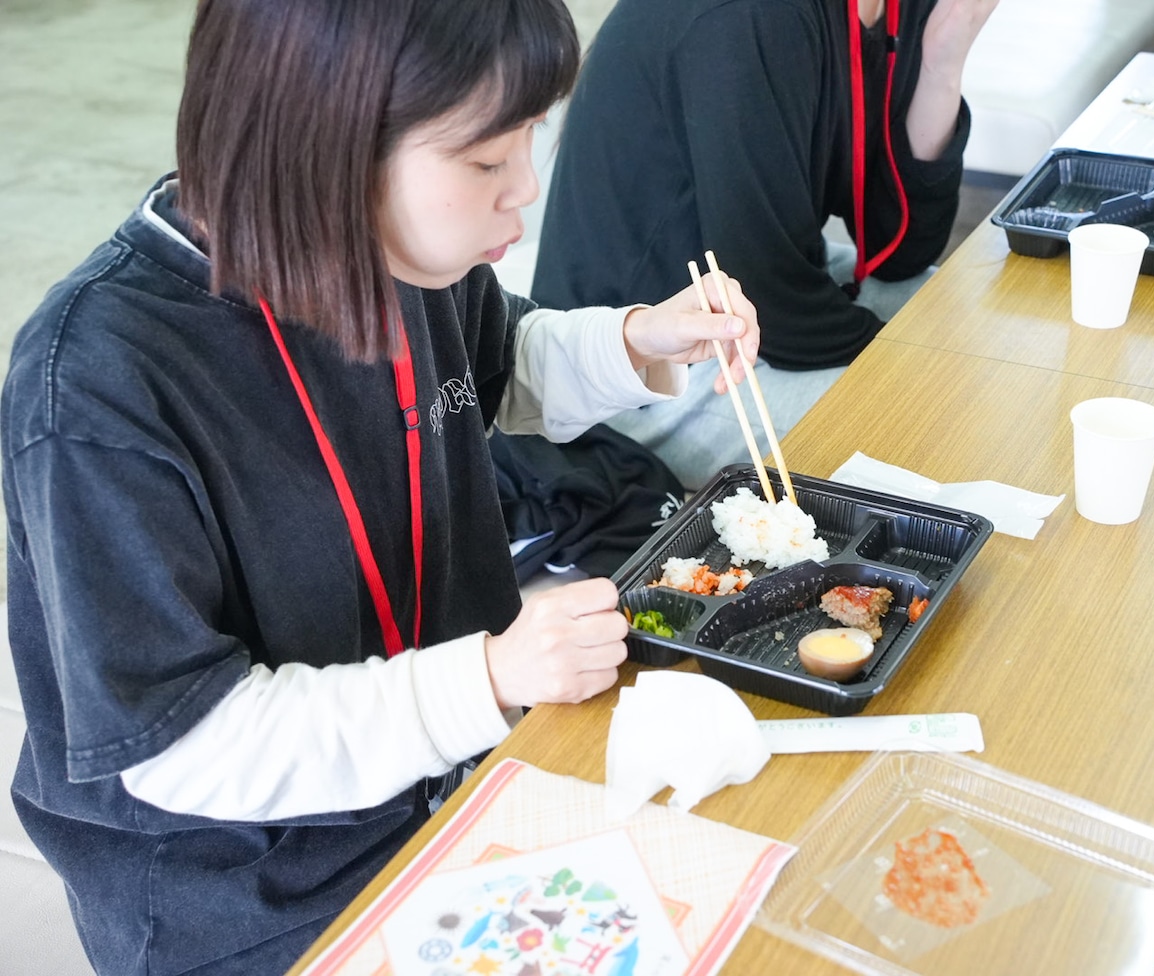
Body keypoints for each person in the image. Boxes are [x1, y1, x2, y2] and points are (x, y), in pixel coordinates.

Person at [1, 0, 760, 972]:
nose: (523, 187)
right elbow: (177, 743)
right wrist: (485, 678)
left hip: (445, 777)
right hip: (250, 890)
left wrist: (633, 338)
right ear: (323, 138)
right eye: (486, 160)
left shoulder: (393, 250)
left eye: (526, 141)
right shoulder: (99, 382)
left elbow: (491, 367)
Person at [531, 0, 1000, 488]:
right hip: (636, 370)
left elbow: (899, 250)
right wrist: (934, 368)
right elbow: (777, 306)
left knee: (967, 315)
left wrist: (942, 58)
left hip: (753, 293)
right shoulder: (750, 16)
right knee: (942, 422)